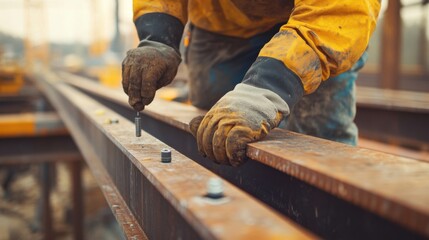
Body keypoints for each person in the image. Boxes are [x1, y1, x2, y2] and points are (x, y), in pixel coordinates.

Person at [122, 1, 381, 166]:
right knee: (214, 138)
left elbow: (338, 10)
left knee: (320, 144)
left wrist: (266, 88)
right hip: (220, 23)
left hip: (319, 19)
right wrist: (158, 34)